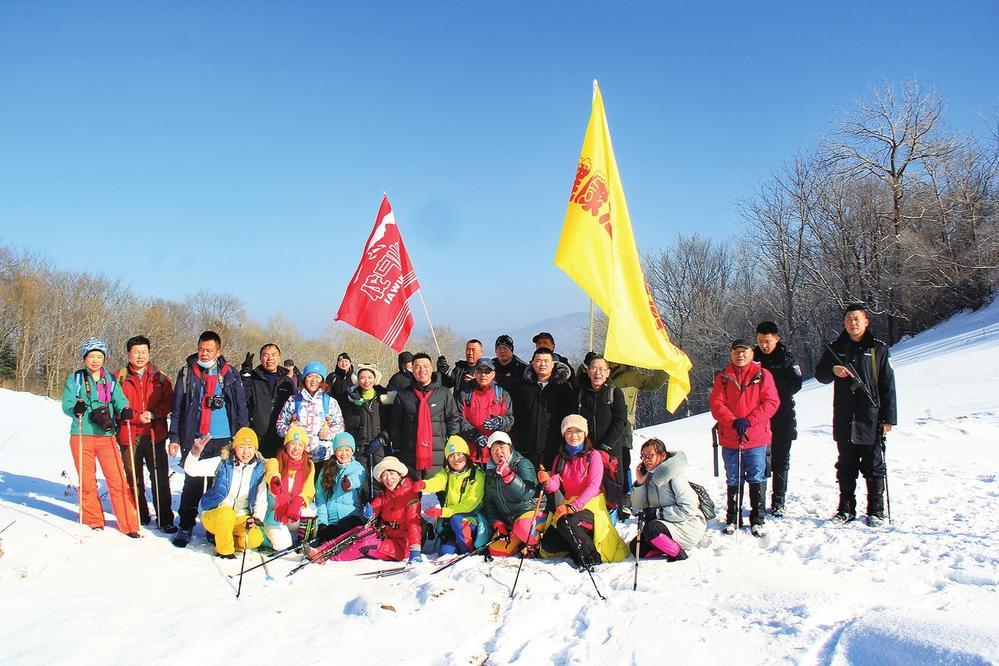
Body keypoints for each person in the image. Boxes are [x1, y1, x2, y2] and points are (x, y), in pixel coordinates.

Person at [815, 304, 897, 527]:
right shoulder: (835, 348)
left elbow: (887, 383)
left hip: (871, 415)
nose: (853, 323)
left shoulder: (878, 348)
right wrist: (833, 370)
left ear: (866, 321)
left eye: (857, 319)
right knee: (846, 465)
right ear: (844, 323)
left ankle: (876, 510)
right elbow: (819, 374)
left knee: (874, 464)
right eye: (849, 319)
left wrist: (889, 417)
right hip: (844, 416)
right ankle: (845, 509)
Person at [167, 330, 249, 548]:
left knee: (219, 486)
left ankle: (214, 527)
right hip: (195, 438)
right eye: (201, 349)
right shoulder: (187, 373)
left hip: (224, 439)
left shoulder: (229, 373)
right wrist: (174, 437)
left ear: (218, 351)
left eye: (209, 350)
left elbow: (240, 406)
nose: (204, 353)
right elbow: (177, 408)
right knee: (192, 482)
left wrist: (242, 436)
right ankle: (186, 525)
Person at [61, 337, 140, 537]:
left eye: (99, 356)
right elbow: (67, 404)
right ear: (85, 358)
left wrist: (125, 409)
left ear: (104, 358)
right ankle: (93, 519)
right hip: (81, 435)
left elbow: (119, 399)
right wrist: (74, 408)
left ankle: (129, 524)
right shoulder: (76, 379)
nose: (95, 360)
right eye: (91, 356)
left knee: (117, 480)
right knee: (87, 481)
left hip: (106, 436)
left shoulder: (111, 380)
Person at [709, 339, 779, 537]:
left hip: (756, 436)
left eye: (744, 351)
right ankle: (733, 518)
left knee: (756, 477)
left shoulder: (763, 375)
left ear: (751, 353)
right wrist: (733, 421)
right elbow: (717, 404)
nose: (740, 355)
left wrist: (749, 421)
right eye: (736, 351)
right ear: (731, 354)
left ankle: (758, 519)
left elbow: (771, 402)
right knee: (733, 477)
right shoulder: (723, 377)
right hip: (730, 437)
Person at [537, 415, 628, 566]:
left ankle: (591, 558)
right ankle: (578, 544)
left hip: (592, 507)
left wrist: (572, 507)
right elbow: (554, 484)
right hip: (570, 506)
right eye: (569, 431)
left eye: (578, 431)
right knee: (549, 544)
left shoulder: (594, 456)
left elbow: (593, 486)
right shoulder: (560, 459)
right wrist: (546, 481)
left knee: (567, 522)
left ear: (585, 434)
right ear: (564, 435)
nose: (573, 435)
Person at [306, 456, 422, 564]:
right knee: (358, 530)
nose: (388, 478)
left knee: (365, 543)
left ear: (400, 475)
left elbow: (414, 524)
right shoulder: (386, 494)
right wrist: (370, 511)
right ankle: (320, 550)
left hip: (401, 546)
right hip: (384, 535)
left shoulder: (410, 495)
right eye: (384, 475)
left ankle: (327, 557)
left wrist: (415, 551)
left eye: (392, 474)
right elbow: (375, 507)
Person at [116, 335, 176, 533]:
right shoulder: (119, 377)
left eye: (144, 352)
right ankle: (140, 515)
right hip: (129, 434)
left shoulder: (160, 378)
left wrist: (155, 413)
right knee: (134, 478)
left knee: (159, 476)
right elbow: (113, 404)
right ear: (129, 354)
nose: (140, 356)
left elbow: (169, 401)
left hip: (154, 434)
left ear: (149, 353)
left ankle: (165, 518)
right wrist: (134, 416)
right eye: (136, 352)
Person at [182, 427, 267, 559]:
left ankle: (225, 536)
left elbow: (261, 499)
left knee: (255, 539)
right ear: (234, 447)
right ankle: (225, 552)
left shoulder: (258, 470)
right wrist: (194, 453)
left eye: (250, 447)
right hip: (216, 514)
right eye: (241, 447)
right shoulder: (222, 463)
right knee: (227, 514)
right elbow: (191, 470)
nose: (246, 452)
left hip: (240, 518)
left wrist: (256, 518)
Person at [753, 321, 803, 517]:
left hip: (783, 416)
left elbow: (796, 384)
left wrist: (770, 390)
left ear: (776, 339)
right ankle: (759, 501)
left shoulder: (788, 358)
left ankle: (779, 501)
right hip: (758, 418)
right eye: (759, 341)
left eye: (767, 341)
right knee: (760, 461)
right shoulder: (752, 359)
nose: (763, 345)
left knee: (781, 459)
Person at [630, 438, 705, 560]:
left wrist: (658, 513)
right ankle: (664, 547)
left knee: (652, 529)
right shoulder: (649, 477)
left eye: (650, 456)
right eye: (643, 457)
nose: (646, 460)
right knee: (636, 548)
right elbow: (638, 508)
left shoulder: (675, 476)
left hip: (686, 526)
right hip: (666, 525)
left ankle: (678, 553)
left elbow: (689, 509)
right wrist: (640, 483)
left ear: (662, 455)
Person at [390, 352, 462, 478]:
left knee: (438, 493)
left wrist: (453, 444)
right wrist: (396, 447)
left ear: (432, 368)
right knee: (412, 494)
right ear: (412, 369)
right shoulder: (404, 395)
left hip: (438, 455)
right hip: (410, 456)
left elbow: (453, 419)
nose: (422, 370)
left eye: (425, 366)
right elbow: (395, 423)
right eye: (417, 366)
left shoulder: (443, 393)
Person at [575, 355, 629, 519]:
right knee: (591, 490)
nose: (597, 372)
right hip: (587, 452)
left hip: (610, 453)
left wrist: (606, 444)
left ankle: (609, 533)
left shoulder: (615, 392)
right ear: (588, 372)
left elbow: (620, 420)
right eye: (594, 368)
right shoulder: (581, 394)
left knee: (610, 493)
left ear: (607, 373)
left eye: (601, 369)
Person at [414, 436, 487, 555]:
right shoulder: (447, 473)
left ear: (466, 454)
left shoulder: (477, 475)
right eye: (451, 456)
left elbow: (470, 504)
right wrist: (424, 484)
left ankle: (468, 551)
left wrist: (443, 512)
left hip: (472, 519)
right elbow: (438, 481)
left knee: (457, 519)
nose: (456, 459)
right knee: (445, 553)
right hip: (452, 521)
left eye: (459, 454)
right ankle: (458, 545)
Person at [512, 347, 574, 469]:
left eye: (546, 361)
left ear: (553, 364)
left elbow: (569, 416)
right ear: (533, 364)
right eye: (539, 361)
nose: (542, 364)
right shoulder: (523, 388)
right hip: (527, 449)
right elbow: (517, 416)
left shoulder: (564, 388)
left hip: (555, 448)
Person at [275, 360, 345, 466]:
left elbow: (340, 426)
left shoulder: (330, 402)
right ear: (304, 379)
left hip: (324, 457)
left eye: (317, 377)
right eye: (310, 376)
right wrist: (290, 431)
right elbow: (280, 425)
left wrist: (329, 433)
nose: (313, 380)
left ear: (322, 380)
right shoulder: (293, 400)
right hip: (298, 456)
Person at [481, 431, 540, 557]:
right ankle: (521, 541)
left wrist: (509, 476)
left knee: (522, 527)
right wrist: (498, 523)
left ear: (510, 447)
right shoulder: (490, 472)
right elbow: (489, 501)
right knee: (496, 550)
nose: (498, 453)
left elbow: (527, 494)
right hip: (511, 521)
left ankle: (537, 545)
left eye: (502, 447)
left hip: (532, 513)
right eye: (494, 449)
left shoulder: (522, 464)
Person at [340, 363, 394, 493]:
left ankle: (380, 510)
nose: (366, 381)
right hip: (360, 447)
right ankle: (364, 509)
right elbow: (347, 424)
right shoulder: (350, 400)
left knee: (381, 479)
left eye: (370, 377)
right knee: (361, 480)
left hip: (380, 446)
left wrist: (382, 439)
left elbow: (392, 423)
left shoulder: (385, 398)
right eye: (363, 377)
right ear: (358, 380)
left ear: (375, 379)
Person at [263, 424, 316, 551]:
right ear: (286, 444)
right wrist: (274, 481)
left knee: (310, 511)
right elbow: (271, 472)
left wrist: (298, 501)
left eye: (300, 445)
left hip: (293, 513)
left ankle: (304, 543)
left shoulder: (309, 465)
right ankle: (264, 537)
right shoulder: (275, 461)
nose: (296, 448)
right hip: (276, 514)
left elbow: (309, 489)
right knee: (282, 545)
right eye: (293, 443)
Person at [240, 343, 296, 458]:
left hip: (280, 437)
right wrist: (245, 376)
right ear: (260, 358)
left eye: (273, 355)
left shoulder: (286, 381)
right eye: (266, 355)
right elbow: (243, 397)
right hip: (258, 435)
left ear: (279, 358)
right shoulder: (253, 378)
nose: (270, 358)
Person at [313, 431, 368, 544]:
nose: (344, 454)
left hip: (351, 516)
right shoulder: (326, 469)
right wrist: (323, 523)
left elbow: (358, 479)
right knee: (329, 532)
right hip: (331, 519)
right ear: (335, 451)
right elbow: (320, 498)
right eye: (340, 450)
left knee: (346, 527)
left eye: (347, 450)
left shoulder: (358, 468)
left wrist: (349, 483)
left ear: (352, 451)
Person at [457, 358, 515, 464]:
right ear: (475, 373)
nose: (483, 375)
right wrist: (473, 435)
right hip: (472, 453)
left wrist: (500, 422)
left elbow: (510, 419)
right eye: (480, 371)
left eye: (487, 371)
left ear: (493, 374)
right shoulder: (465, 394)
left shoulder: (502, 394)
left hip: (496, 455)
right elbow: (459, 418)